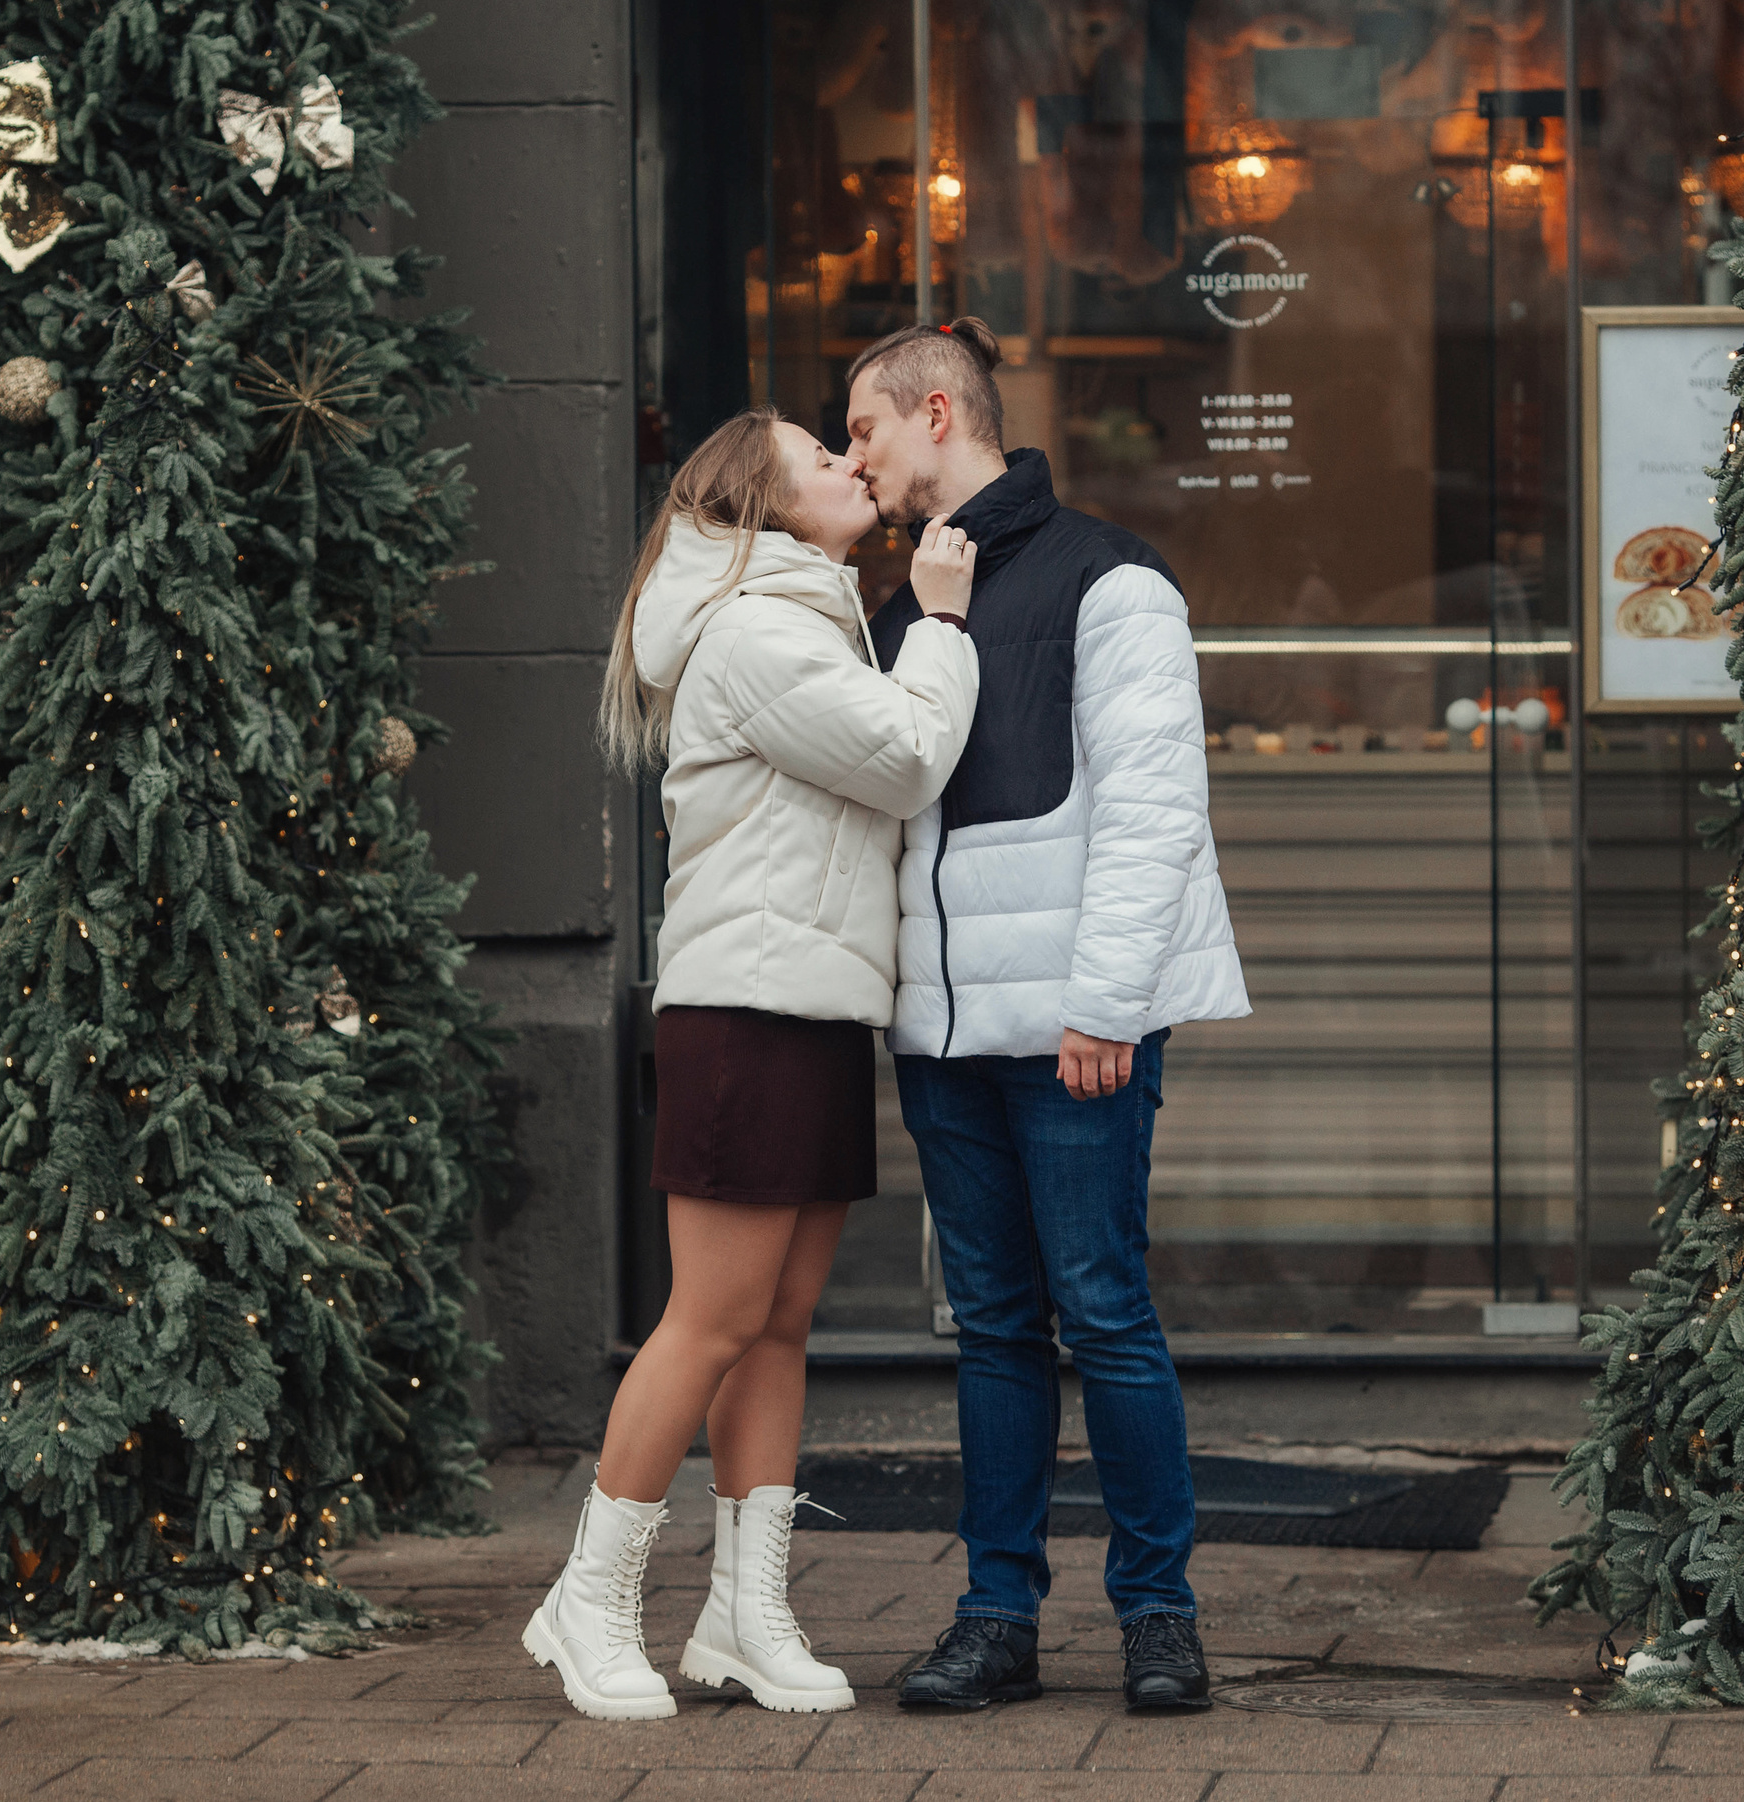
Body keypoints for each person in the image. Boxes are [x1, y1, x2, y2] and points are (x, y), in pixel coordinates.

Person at [524, 405, 981, 1721]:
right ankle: (590, 1599)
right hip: (750, 1012)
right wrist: (941, 623)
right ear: (767, 508)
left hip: (814, 1001)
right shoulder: (756, 631)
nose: (852, 467)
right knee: (712, 1318)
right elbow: (903, 757)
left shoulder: (807, 616)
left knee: (778, 1322)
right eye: (821, 458)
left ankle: (743, 1613)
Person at [847, 319, 1251, 1713]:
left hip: (1076, 1027)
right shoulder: (908, 608)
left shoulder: (1113, 578)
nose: (857, 460)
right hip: (948, 1038)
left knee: (1104, 1310)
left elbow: (1154, 811)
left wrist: (1106, 1004)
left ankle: (1158, 1612)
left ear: (940, 413)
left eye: (866, 431)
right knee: (996, 1325)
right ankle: (996, 1612)